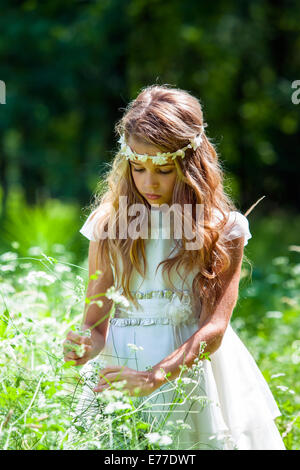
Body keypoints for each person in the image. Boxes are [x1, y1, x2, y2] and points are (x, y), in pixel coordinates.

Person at [63, 84, 286, 450]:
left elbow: (214, 328)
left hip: (189, 373)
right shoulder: (109, 224)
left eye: (164, 170)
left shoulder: (221, 228)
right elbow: (96, 321)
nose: (149, 182)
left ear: (190, 164)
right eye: (138, 167)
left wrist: (155, 377)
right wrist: (84, 343)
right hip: (121, 370)